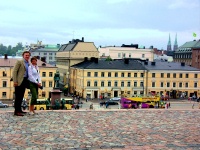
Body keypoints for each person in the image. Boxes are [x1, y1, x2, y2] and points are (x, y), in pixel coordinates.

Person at [12, 51, 30, 116]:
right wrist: (15, 81)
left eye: (28, 55)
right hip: (19, 81)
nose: (27, 56)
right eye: (26, 55)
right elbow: (14, 71)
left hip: (24, 81)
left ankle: (19, 110)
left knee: (21, 96)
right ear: (23, 55)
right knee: (18, 97)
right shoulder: (19, 62)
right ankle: (16, 111)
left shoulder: (28, 63)